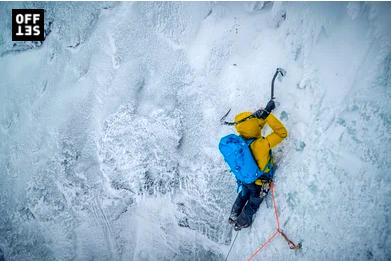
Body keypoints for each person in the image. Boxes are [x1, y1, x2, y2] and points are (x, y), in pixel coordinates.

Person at [228, 100, 288, 231]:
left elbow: (252, 129)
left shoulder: (241, 141)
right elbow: (282, 133)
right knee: (253, 204)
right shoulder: (261, 144)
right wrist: (268, 116)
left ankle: (233, 217)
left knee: (243, 195)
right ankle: (242, 222)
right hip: (260, 183)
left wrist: (265, 113)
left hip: (246, 179)